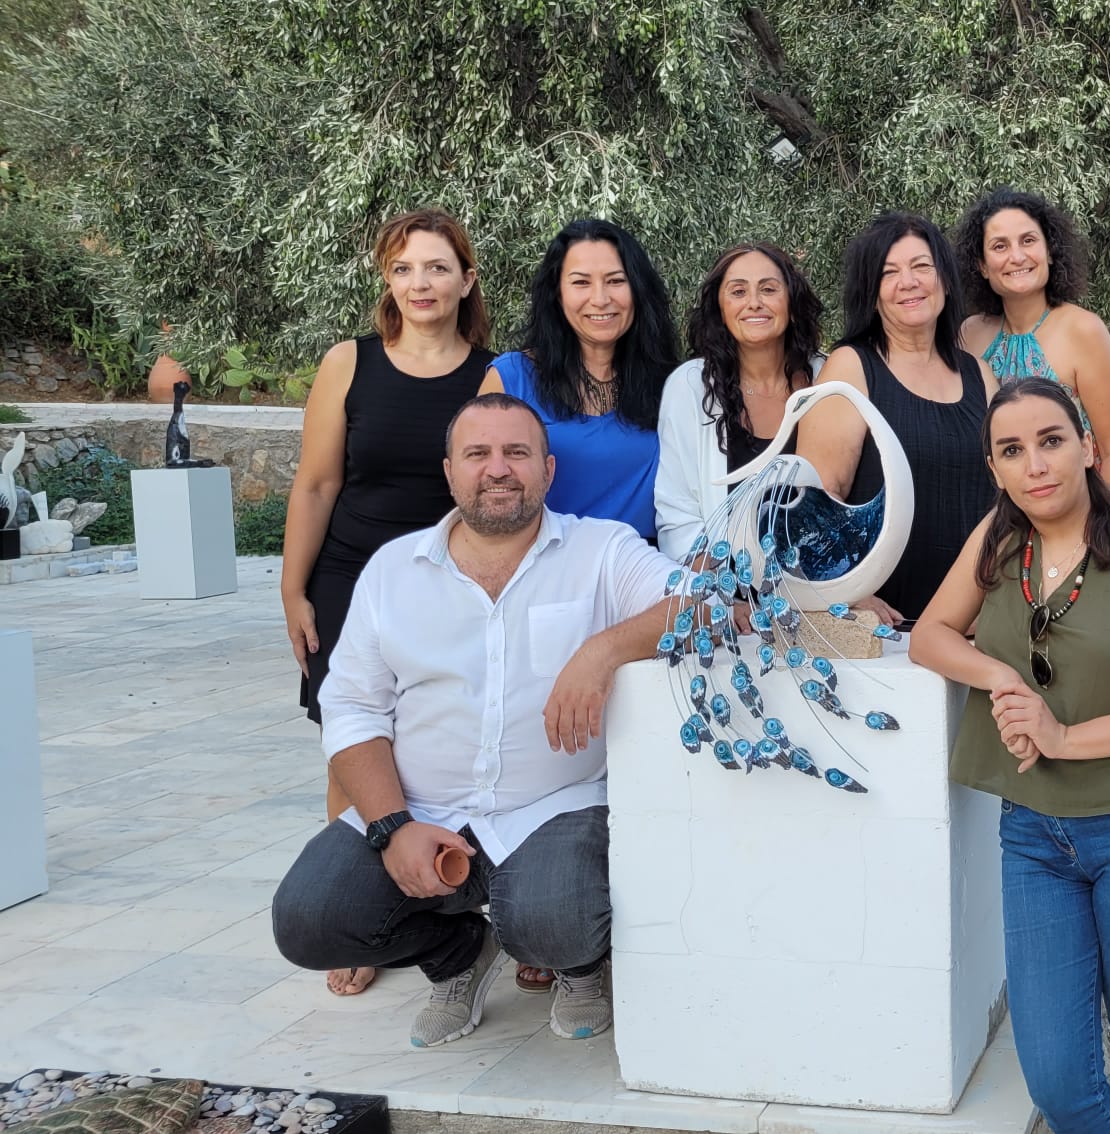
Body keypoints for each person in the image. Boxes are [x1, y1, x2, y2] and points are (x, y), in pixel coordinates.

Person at [271, 393, 681, 1048]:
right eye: (477, 454)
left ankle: (579, 966)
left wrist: (602, 650)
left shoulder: (602, 550)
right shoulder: (392, 571)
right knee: (309, 920)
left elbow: (698, 604)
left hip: (552, 806)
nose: (498, 469)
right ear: (449, 471)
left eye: (517, 452)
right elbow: (352, 708)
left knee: (554, 923)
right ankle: (458, 955)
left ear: (547, 469)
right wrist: (392, 826)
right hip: (419, 805)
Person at [911, 378, 1110, 1134]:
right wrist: (1001, 676)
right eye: (1011, 450)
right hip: (1035, 835)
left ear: (1087, 447)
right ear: (994, 469)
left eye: (1051, 440)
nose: (1035, 464)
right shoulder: (997, 543)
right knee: (1059, 1079)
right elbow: (930, 636)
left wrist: (1063, 739)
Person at [279, 207, 494, 998]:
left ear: (466, 279)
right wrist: (292, 589)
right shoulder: (349, 363)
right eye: (403, 269)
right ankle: (361, 914)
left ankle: (461, 895)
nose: (419, 283)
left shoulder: (494, 375)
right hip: (346, 580)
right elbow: (316, 484)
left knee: (445, 742)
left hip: (448, 586)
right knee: (352, 744)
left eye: (436, 267)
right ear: (386, 281)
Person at [798, 211, 997, 624]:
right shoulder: (850, 367)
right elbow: (816, 501)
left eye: (921, 266)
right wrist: (849, 593)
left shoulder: (980, 374)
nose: (908, 281)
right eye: (889, 272)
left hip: (976, 623)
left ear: (945, 279)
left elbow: (1006, 496)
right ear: (872, 293)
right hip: (886, 625)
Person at [479, 218, 676, 543]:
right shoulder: (512, 378)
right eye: (581, 282)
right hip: (544, 564)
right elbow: (480, 488)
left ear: (638, 290)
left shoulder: (671, 383)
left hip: (645, 567)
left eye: (616, 280)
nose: (600, 298)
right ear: (557, 294)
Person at [654, 241, 824, 556]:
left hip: (822, 579)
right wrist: (720, 585)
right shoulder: (690, 386)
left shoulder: (828, 377)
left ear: (791, 301)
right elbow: (678, 516)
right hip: (719, 582)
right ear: (720, 308)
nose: (754, 303)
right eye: (738, 292)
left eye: (769, 289)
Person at [954, 188, 1110, 483]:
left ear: (1049, 251)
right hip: (990, 506)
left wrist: (1093, 513)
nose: (1017, 256)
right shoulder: (970, 335)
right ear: (982, 265)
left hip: (1076, 504)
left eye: (1028, 240)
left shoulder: (1083, 330)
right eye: (1000, 246)